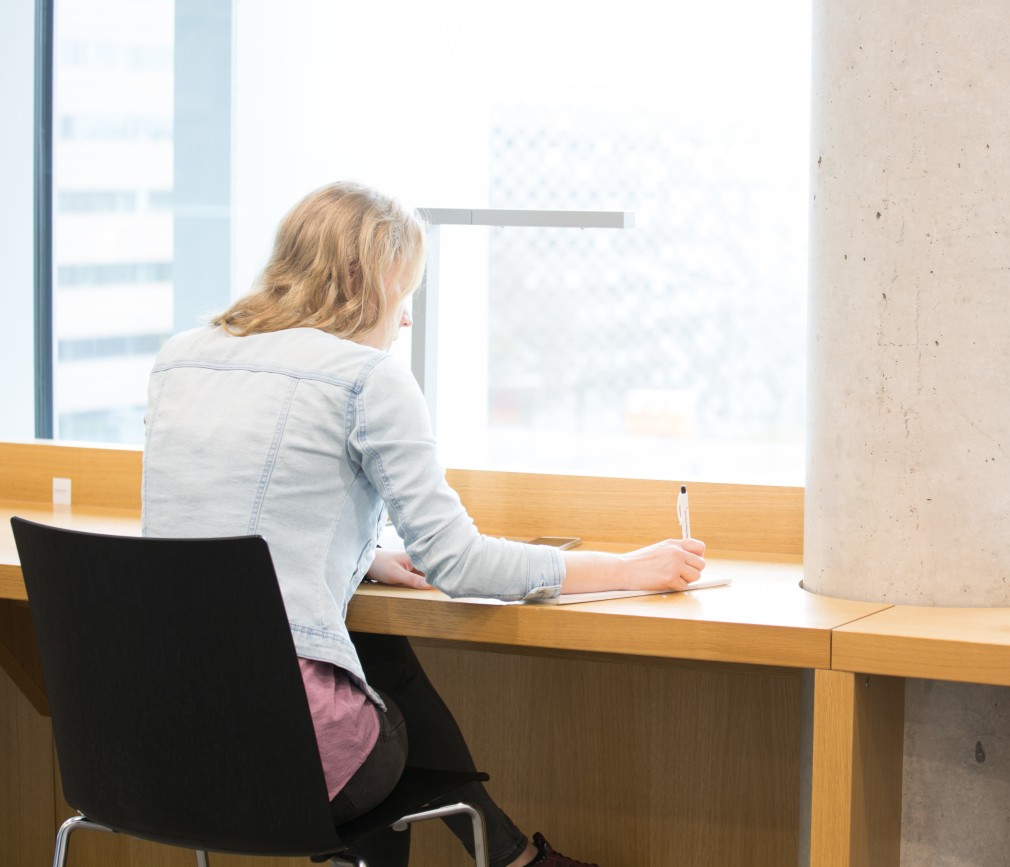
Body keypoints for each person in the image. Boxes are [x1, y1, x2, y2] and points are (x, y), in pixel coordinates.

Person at [141, 181, 707, 867]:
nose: (405, 318)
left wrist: (362, 558)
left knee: (366, 656)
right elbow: (459, 564)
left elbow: (235, 523)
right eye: (404, 291)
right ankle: (509, 859)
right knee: (374, 726)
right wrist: (626, 569)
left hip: (158, 743)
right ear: (370, 281)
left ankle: (510, 857)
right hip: (281, 754)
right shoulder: (363, 378)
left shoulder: (179, 358)